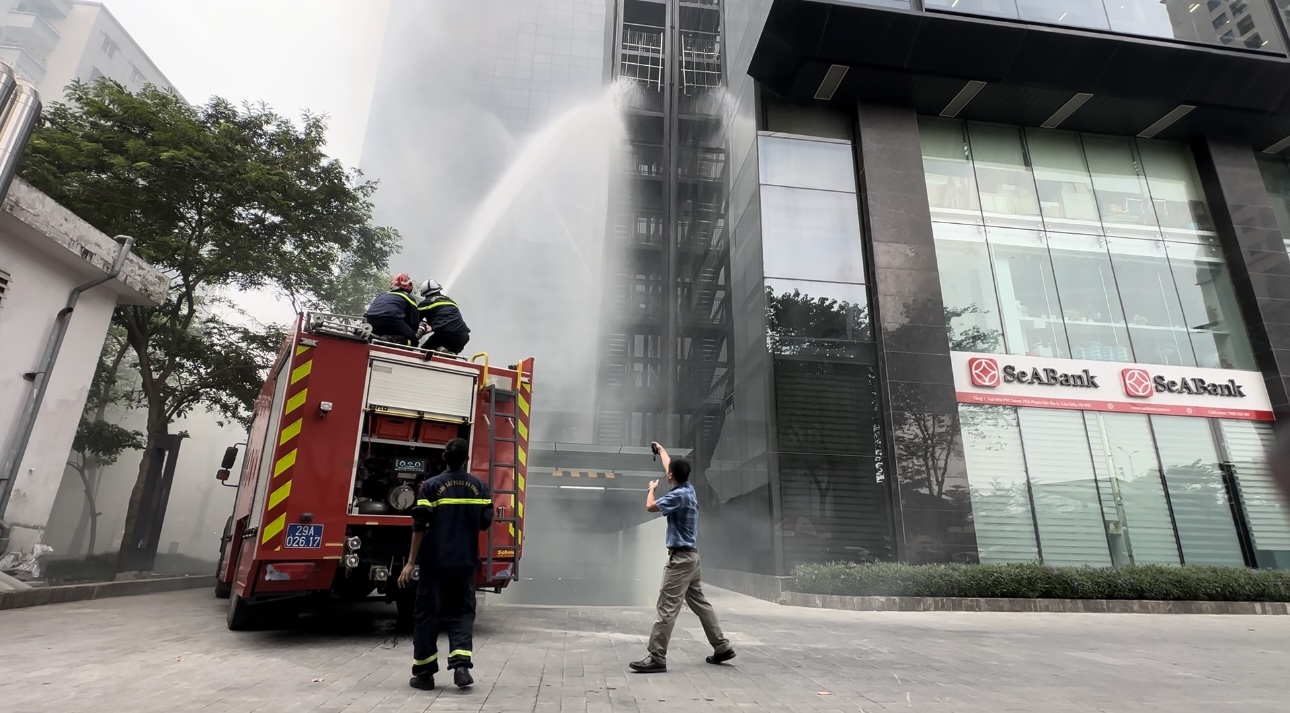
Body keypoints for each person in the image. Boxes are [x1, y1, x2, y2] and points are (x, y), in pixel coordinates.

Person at [629, 442, 735, 674]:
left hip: (680, 561)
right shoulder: (689, 489)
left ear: (670, 477)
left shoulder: (677, 497)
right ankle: (722, 647)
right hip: (692, 558)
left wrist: (651, 488)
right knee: (700, 602)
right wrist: (662, 450)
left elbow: (649, 507)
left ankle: (657, 657)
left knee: (666, 607)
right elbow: (670, 466)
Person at [399, 437, 492, 691]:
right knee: (462, 612)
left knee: (427, 615)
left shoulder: (431, 486)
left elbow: (419, 526)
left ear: (443, 457)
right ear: (467, 459)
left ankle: (425, 674)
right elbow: (485, 522)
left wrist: (410, 562)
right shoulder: (480, 487)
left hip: (435, 563)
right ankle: (461, 666)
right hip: (464, 563)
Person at [416, 279, 471, 355]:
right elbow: (448, 320)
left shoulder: (425, 304)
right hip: (463, 336)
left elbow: (414, 322)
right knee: (449, 355)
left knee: (425, 350)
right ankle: (449, 354)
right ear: (439, 289)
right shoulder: (450, 301)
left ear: (424, 294)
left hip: (444, 334)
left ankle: (439, 349)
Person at [364, 273, 421, 345]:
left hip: (370, 320)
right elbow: (414, 322)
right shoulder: (409, 298)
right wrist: (415, 332)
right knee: (414, 341)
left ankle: (369, 335)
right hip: (392, 320)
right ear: (409, 285)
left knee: (377, 332)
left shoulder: (382, 295)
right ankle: (384, 340)